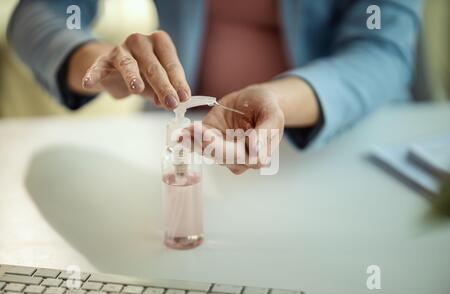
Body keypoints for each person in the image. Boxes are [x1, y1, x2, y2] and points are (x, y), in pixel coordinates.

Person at [7, 0, 422, 174]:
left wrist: (278, 100)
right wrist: (99, 61)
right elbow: (36, 14)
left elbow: (382, 51)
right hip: (181, 145)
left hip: (344, 146)